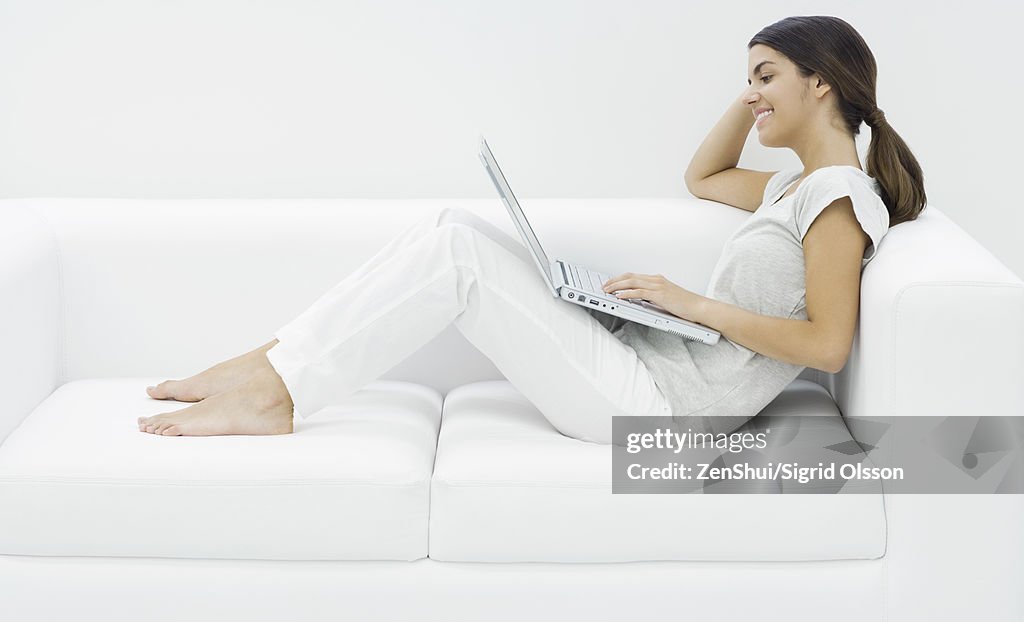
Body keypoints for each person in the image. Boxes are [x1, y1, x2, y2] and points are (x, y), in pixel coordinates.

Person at [137, 15, 925, 443]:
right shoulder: (796, 187)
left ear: (822, 82)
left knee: (455, 254)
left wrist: (693, 305)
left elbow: (828, 343)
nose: (752, 95)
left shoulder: (837, 200)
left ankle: (275, 394)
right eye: (749, 79)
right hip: (643, 369)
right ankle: (267, 364)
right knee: (453, 225)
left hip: (660, 412)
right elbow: (705, 178)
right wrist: (758, 84)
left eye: (767, 78)